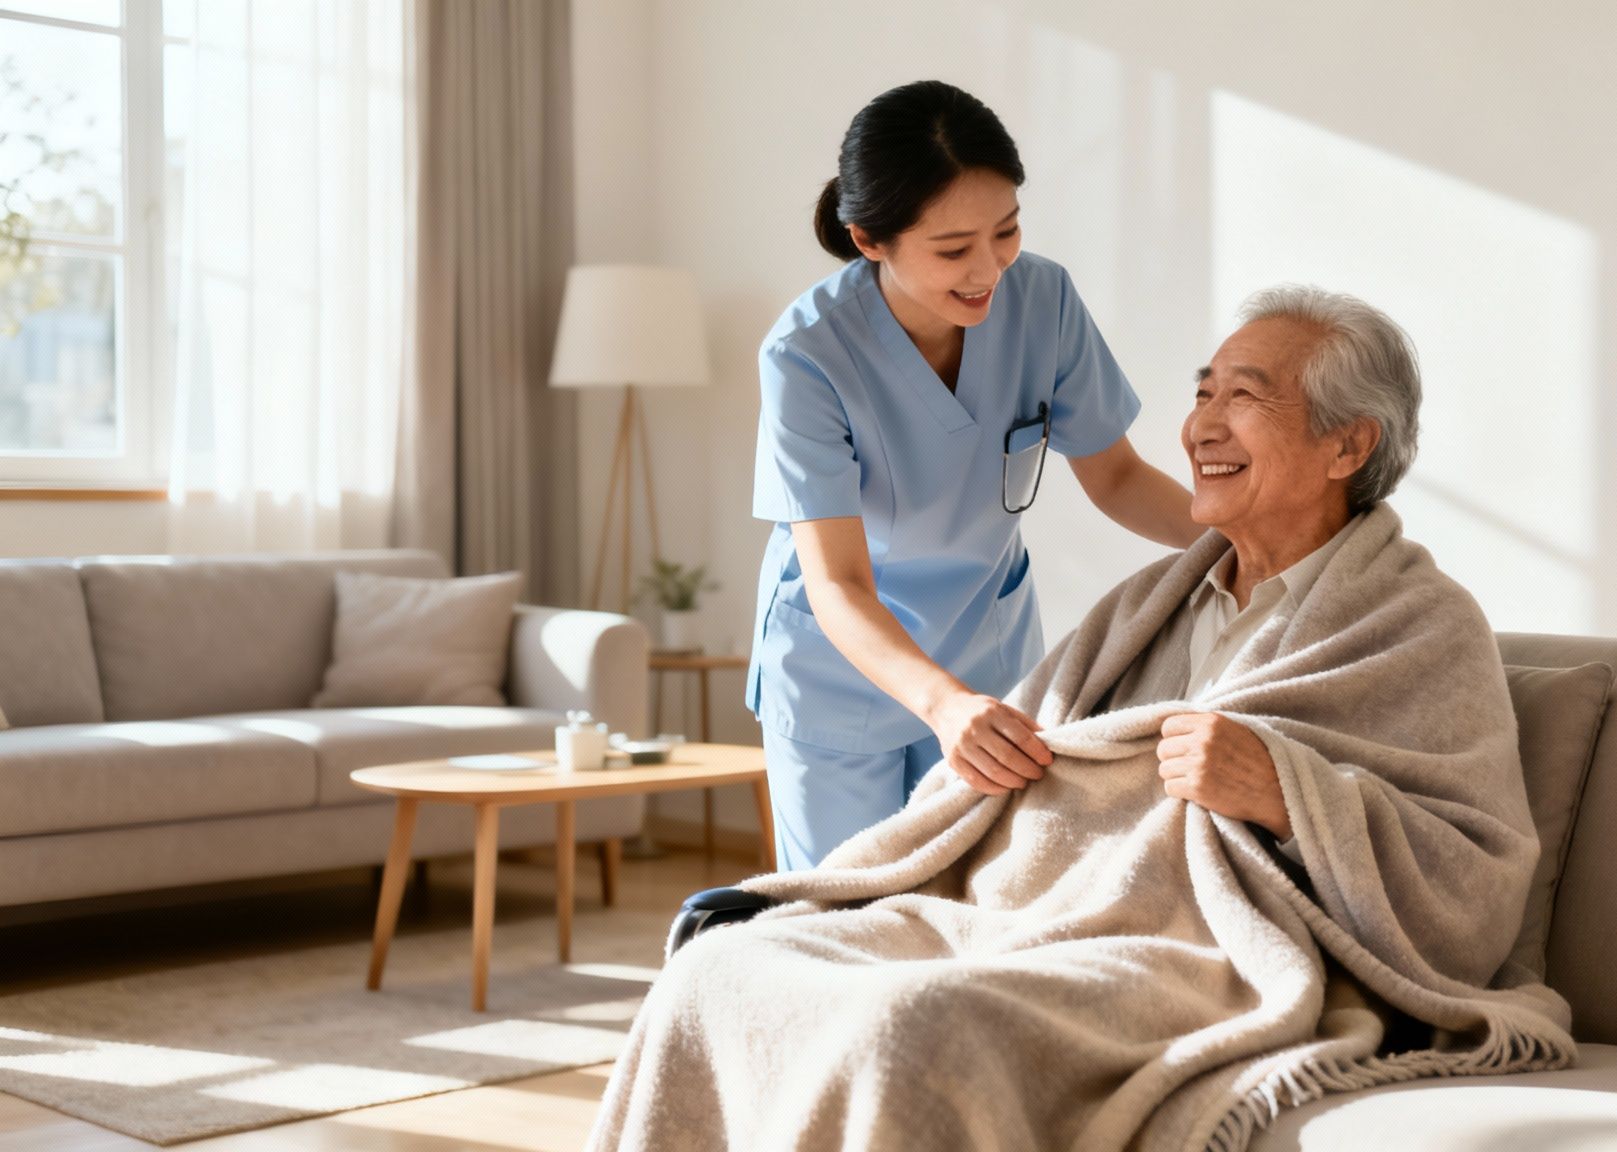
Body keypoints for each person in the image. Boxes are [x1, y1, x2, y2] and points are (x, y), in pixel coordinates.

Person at [591, 287, 1566, 1151]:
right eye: (1201, 391)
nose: (1198, 427)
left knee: (916, 1027)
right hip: (1020, 915)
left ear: (1346, 445)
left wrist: (1283, 794)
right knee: (720, 971)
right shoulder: (1150, 602)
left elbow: (1474, 888)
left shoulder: (1419, 623)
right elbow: (989, 779)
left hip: (1198, 954)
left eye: (1244, 397)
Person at [748, 80, 1202, 870]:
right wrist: (939, 703)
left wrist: (1256, 536)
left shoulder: (1044, 300)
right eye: (953, 250)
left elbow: (1118, 476)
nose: (988, 268)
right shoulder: (807, 355)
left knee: (979, 902)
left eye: (1007, 231)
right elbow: (840, 585)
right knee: (847, 916)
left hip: (986, 651)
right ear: (870, 241)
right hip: (843, 667)